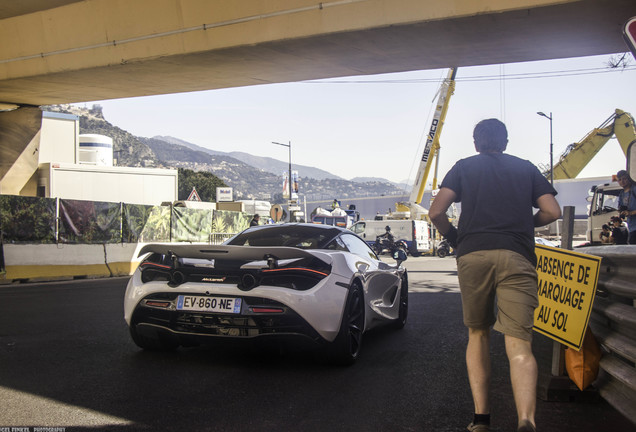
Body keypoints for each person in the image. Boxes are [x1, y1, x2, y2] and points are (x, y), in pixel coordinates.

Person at [428, 119, 561, 432]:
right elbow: (552, 211)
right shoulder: (525, 168)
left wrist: (455, 238)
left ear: (476, 142)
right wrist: (527, 224)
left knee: (478, 333)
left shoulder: (463, 167)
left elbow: (435, 212)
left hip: (473, 254)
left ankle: (481, 420)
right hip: (517, 254)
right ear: (506, 141)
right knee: (520, 345)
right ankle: (526, 420)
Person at [616, 170, 636, 244]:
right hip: (631, 227)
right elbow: (620, 207)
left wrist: (630, 213)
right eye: (620, 180)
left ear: (628, 178)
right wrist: (621, 212)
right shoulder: (621, 194)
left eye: (624, 179)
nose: (622, 181)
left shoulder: (634, 189)